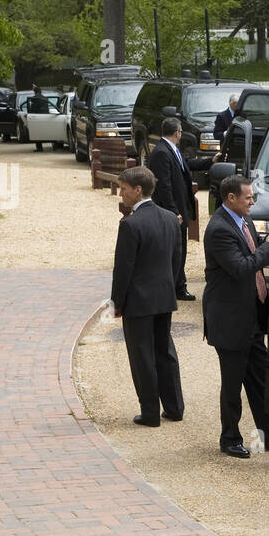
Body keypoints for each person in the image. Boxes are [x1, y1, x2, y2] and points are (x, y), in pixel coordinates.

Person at [203, 175, 269, 458]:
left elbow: (256, 247)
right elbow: (242, 267)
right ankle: (229, 438)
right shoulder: (218, 230)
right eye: (248, 197)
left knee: (261, 378)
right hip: (229, 322)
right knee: (233, 384)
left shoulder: (244, 219)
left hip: (251, 317)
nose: (253, 201)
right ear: (231, 199)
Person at [110, 166, 184, 427]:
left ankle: (151, 412)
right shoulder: (169, 218)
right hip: (164, 297)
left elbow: (123, 269)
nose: (121, 194)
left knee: (142, 356)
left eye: (124, 189)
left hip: (139, 302)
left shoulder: (130, 224)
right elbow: (177, 260)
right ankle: (175, 407)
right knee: (165, 352)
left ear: (138, 190)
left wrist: (117, 302)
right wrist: (169, 285)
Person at [147, 117, 198, 302]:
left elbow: (186, 165)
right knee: (175, 251)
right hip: (172, 212)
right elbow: (164, 186)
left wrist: (211, 161)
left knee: (180, 249)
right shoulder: (162, 152)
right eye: (181, 131)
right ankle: (176, 287)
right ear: (177, 132)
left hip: (179, 208)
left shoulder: (172, 149)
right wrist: (173, 211)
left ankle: (178, 284)